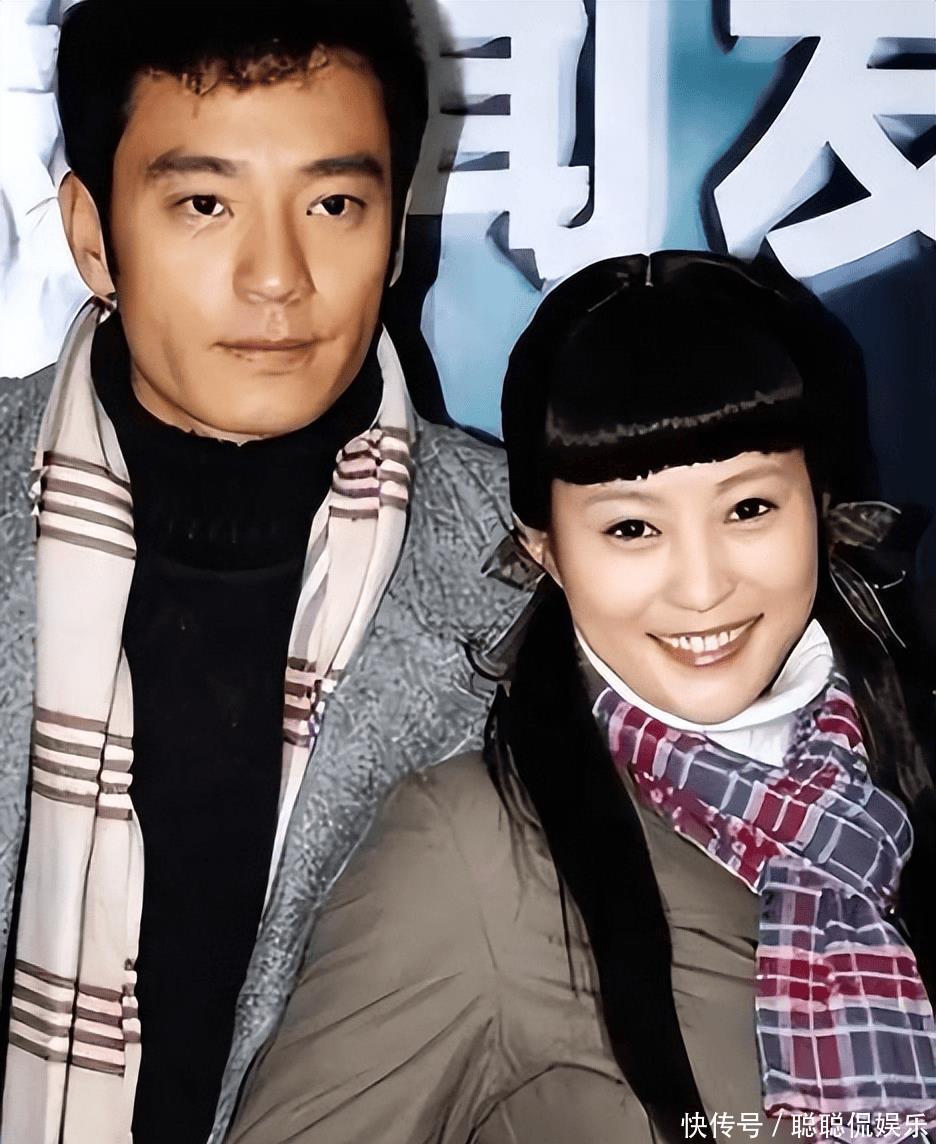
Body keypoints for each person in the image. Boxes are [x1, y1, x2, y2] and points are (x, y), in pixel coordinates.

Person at [227, 252, 936, 1144]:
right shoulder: (470, 854)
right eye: (632, 527)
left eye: (749, 509)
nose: (703, 586)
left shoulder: (898, 777)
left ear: (821, 509)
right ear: (547, 552)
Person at [0, 3, 526, 1142]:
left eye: (334, 204)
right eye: (205, 203)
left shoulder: (536, 574)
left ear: (395, 231)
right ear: (91, 235)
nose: (277, 277)